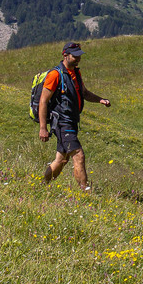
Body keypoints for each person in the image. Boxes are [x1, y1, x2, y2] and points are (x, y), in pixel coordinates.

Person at [37, 41, 111, 191]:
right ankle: (85, 192)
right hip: (62, 123)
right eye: (75, 56)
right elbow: (43, 101)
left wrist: (100, 100)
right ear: (65, 55)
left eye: (79, 56)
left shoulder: (76, 73)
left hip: (72, 121)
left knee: (61, 159)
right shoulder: (55, 75)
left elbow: (84, 93)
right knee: (78, 155)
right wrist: (43, 128)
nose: (78, 59)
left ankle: (42, 186)